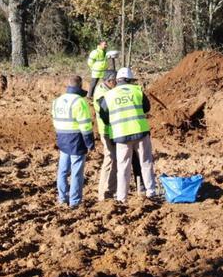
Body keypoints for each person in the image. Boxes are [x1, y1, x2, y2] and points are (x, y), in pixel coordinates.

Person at [98, 67, 157, 202]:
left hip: (121, 135)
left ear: (117, 80)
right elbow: (146, 108)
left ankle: (121, 197)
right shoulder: (137, 91)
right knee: (146, 162)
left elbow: (104, 116)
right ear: (129, 80)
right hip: (140, 132)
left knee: (123, 166)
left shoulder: (109, 95)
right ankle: (150, 192)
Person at [51, 75, 94, 207]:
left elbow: (55, 120)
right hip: (76, 139)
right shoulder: (79, 101)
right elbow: (86, 126)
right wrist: (90, 143)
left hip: (62, 138)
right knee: (76, 172)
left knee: (63, 170)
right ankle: (75, 201)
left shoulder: (57, 101)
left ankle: (62, 198)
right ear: (80, 85)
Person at [93, 70, 118, 200]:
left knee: (115, 160)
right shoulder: (101, 93)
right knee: (110, 159)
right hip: (107, 130)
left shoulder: (107, 90)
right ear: (109, 81)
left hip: (114, 130)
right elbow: (106, 112)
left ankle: (110, 191)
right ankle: (104, 193)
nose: (117, 83)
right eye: (116, 81)